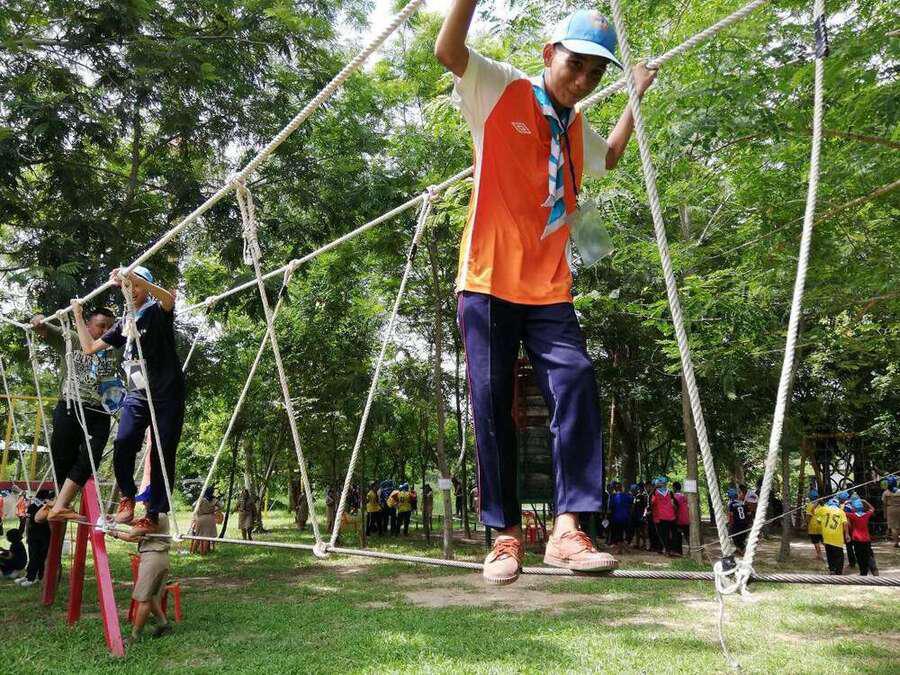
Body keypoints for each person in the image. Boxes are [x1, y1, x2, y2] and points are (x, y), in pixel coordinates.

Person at [436, 2, 656, 585]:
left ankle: (566, 530)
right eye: (575, 65)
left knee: (577, 380)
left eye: (595, 73)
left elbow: (610, 157)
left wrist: (634, 95)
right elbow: (448, 51)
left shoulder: (576, 127)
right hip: (487, 280)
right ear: (548, 55)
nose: (583, 80)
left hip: (550, 288)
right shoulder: (500, 88)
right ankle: (504, 535)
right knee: (491, 403)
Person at [72, 266, 184, 536]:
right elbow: (89, 348)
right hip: (138, 392)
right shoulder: (124, 322)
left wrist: (131, 276)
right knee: (123, 441)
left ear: (146, 287)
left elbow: (169, 299)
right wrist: (77, 315)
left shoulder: (157, 311)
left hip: (167, 392)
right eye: (127, 287)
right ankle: (127, 498)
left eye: (137, 286)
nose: (131, 291)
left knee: (162, 451)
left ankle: (153, 514)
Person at [31, 308, 118, 523]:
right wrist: (38, 320)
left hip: (98, 411)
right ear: (87, 325)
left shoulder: (114, 346)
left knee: (91, 458)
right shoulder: (71, 339)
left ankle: (58, 504)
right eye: (101, 326)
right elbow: (41, 327)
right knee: (62, 456)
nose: (105, 331)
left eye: (110, 327)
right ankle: (57, 503)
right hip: (70, 405)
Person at [111, 514, 173, 644]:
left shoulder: (158, 516)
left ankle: (135, 636)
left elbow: (134, 535)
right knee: (149, 596)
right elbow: (138, 522)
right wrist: (115, 518)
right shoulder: (157, 514)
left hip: (154, 558)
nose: (144, 504)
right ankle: (164, 624)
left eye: (146, 502)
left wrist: (114, 532)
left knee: (144, 599)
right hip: (157, 557)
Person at [16, 490, 52, 587]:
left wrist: (27, 535)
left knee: (37, 557)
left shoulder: (43, 507)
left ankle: (34, 577)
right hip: (38, 536)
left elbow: (27, 523)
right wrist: (28, 535)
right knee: (35, 557)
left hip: (40, 536)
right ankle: (30, 576)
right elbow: (28, 522)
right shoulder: (44, 507)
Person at [846, 497, 878, 577]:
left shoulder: (853, 515)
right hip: (866, 539)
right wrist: (865, 501)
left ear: (854, 508)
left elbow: (842, 512)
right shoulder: (866, 515)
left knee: (860, 557)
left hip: (857, 539)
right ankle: (873, 568)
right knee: (868, 555)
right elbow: (872, 509)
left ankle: (863, 573)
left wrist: (845, 503)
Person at [817, 497, 849, 575]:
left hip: (826, 536)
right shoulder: (841, 512)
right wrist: (847, 534)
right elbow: (845, 523)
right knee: (839, 555)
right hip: (837, 537)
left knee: (829, 553)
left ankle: (832, 569)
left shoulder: (823, 509)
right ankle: (838, 572)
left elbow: (819, 521)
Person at [650, 477, 677, 556]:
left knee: (662, 535)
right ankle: (670, 550)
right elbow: (674, 504)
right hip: (671, 516)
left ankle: (667, 550)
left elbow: (651, 503)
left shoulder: (655, 493)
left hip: (660, 517)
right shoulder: (670, 492)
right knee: (670, 534)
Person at [190, 486, 219, 555]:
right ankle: (203, 553)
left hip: (200, 518)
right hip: (209, 518)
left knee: (198, 536)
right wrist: (214, 509)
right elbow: (221, 506)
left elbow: (193, 505)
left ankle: (193, 552)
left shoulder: (201, 499)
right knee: (207, 536)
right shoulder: (214, 500)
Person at [608, 481, 632, 555]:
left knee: (618, 533)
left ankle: (619, 549)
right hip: (626, 517)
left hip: (616, 518)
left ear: (615, 489)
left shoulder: (613, 497)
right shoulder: (627, 496)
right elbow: (631, 503)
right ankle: (624, 547)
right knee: (624, 533)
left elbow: (610, 508)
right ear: (621, 488)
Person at [727, 487, 750, 554]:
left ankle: (743, 550)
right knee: (741, 537)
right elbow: (748, 513)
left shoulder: (731, 504)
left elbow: (731, 515)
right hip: (745, 523)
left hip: (736, 523)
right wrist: (748, 522)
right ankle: (739, 549)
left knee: (734, 537)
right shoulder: (743, 503)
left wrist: (730, 523)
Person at [804, 489, 824, 561]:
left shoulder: (810, 505)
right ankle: (831, 552)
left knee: (816, 541)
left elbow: (808, 516)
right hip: (822, 526)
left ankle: (819, 555)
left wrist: (806, 523)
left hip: (813, 526)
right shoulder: (822, 505)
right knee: (824, 541)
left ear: (810, 497)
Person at [673, 481, 690, 556]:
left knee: (678, 535)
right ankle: (691, 550)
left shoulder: (675, 497)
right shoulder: (685, 496)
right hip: (686, 519)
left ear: (674, 488)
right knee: (687, 535)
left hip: (679, 519)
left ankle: (679, 552)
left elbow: (674, 508)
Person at [882, 476, 900, 548]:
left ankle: (896, 542)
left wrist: (885, 514)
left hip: (890, 509)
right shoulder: (899, 491)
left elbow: (884, 504)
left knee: (893, 527)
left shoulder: (885, 493)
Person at [630, 484, 647, 551]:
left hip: (640, 516)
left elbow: (644, 507)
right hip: (636, 516)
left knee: (642, 531)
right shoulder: (636, 497)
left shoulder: (641, 496)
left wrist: (644, 515)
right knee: (637, 531)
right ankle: (637, 544)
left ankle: (644, 544)